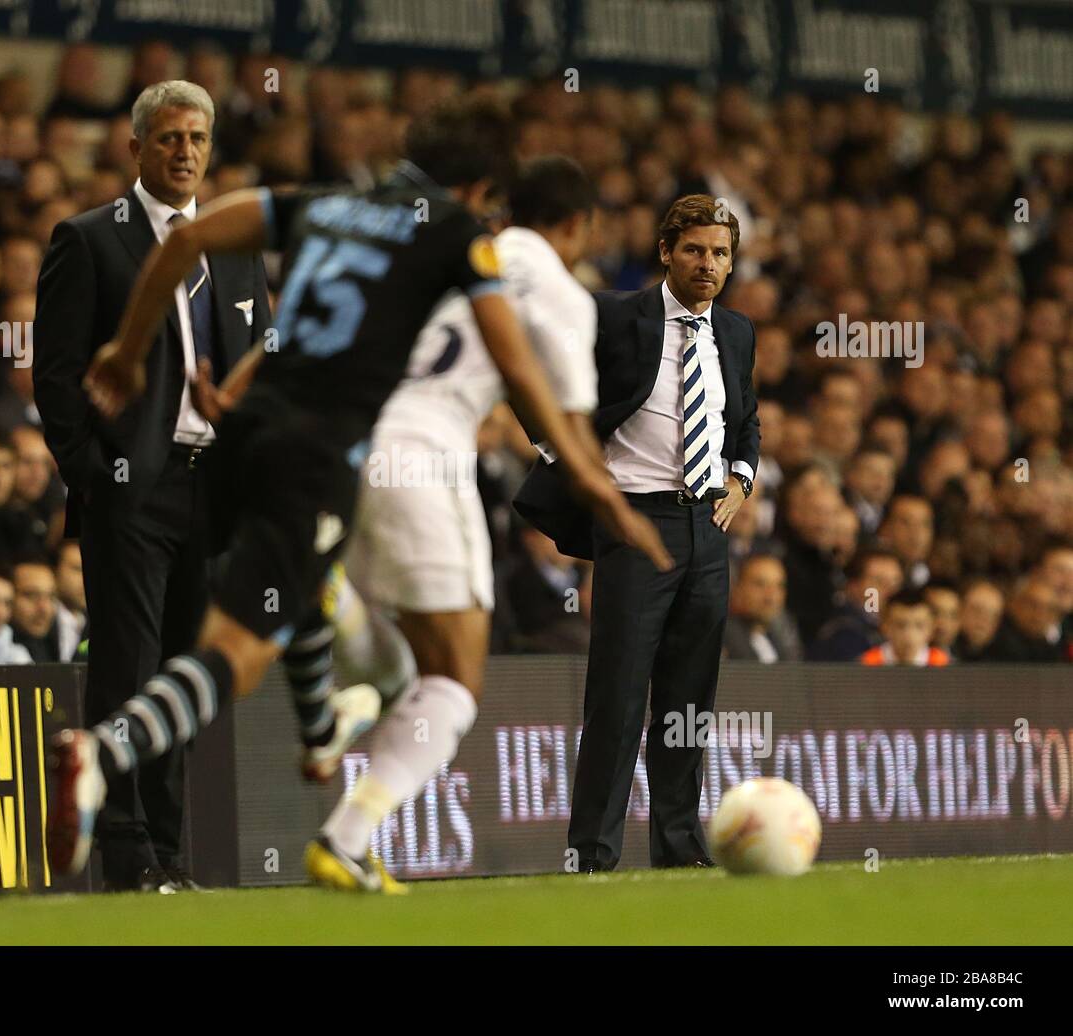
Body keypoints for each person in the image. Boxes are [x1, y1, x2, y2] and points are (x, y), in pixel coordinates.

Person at [46, 98, 668, 891]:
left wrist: (128, 353)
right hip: (327, 450)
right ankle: (107, 752)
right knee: (252, 658)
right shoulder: (456, 238)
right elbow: (514, 365)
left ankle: (319, 731)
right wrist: (593, 485)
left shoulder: (325, 201)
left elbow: (192, 236)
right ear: (480, 191)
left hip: (237, 439)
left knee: (289, 596)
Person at [291, 155, 606, 887]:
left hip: (347, 442)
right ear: (578, 226)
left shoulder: (443, 255)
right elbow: (561, 417)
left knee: (401, 671)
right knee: (457, 683)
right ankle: (345, 836)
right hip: (426, 459)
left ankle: (345, 614)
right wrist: (606, 498)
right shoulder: (554, 290)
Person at [34, 80, 273, 894]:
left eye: (197, 138)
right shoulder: (91, 239)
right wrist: (95, 479)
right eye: (168, 138)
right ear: (136, 149)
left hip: (213, 491)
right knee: (127, 669)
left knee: (182, 675)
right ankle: (128, 856)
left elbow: (257, 367)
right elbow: (59, 378)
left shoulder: (236, 248)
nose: (184, 152)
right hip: (133, 488)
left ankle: (170, 854)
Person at [515, 193, 760, 871]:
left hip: (707, 528)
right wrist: (558, 452)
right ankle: (591, 854)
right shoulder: (613, 314)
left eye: (719, 253)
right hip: (634, 521)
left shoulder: (737, 333)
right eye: (694, 250)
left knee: (689, 701)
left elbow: (747, 419)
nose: (707, 264)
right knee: (619, 698)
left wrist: (741, 478)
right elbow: (526, 360)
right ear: (665, 252)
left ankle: (680, 849)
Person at [722, 553, 801, 663]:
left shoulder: (782, 639)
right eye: (760, 584)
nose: (771, 597)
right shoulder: (719, 637)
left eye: (779, 586)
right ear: (737, 588)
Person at [859, 589, 949, 666]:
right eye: (901, 625)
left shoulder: (943, 663)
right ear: (885, 626)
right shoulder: (867, 663)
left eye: (919, 626)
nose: (909, 634)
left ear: (932, 628)